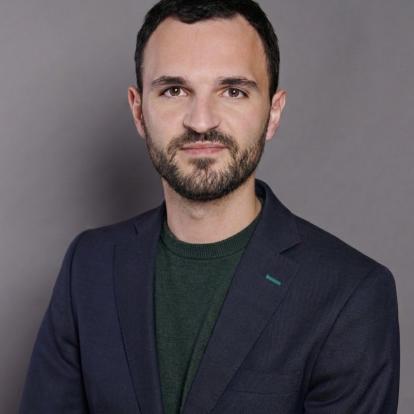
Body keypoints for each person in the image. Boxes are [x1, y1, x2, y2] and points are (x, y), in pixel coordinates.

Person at [19, 0, 400, 413]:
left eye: (233, 91)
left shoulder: (350, 294)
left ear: (273, 113)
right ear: (138, 110)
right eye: (174, 90)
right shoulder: (88, 267)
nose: (201, 122)